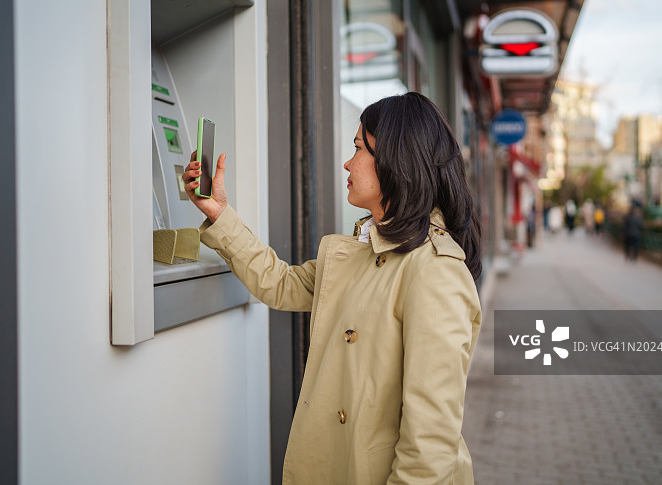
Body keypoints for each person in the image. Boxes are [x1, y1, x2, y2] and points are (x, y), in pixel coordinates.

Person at [183, 92, 482, 484]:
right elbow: (282, 283)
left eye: (359, 148)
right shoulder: (361, 250)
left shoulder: (436, 272)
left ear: (396, 161)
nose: (347, 161)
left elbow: (430, 445)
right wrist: (219, 213)